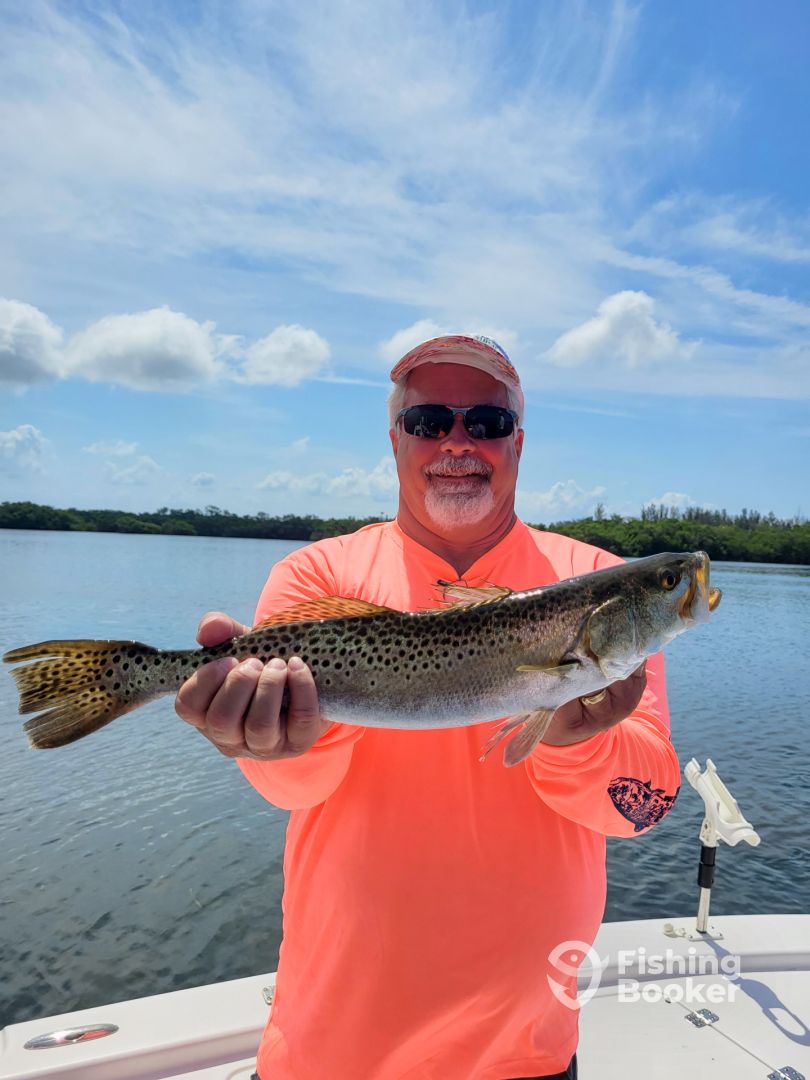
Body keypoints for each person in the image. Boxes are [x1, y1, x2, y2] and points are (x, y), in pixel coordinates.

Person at [175, 334, 681, 1080]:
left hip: (527, 1051)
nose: (457, 442)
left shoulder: (599, 583)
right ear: (396, 440)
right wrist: (272, 738)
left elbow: (643, 807)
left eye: (487, 422)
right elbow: (291, 787)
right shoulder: (316, 575)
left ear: (517, 442)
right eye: (429, 420)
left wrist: (578, 743)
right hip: (335, 1047)